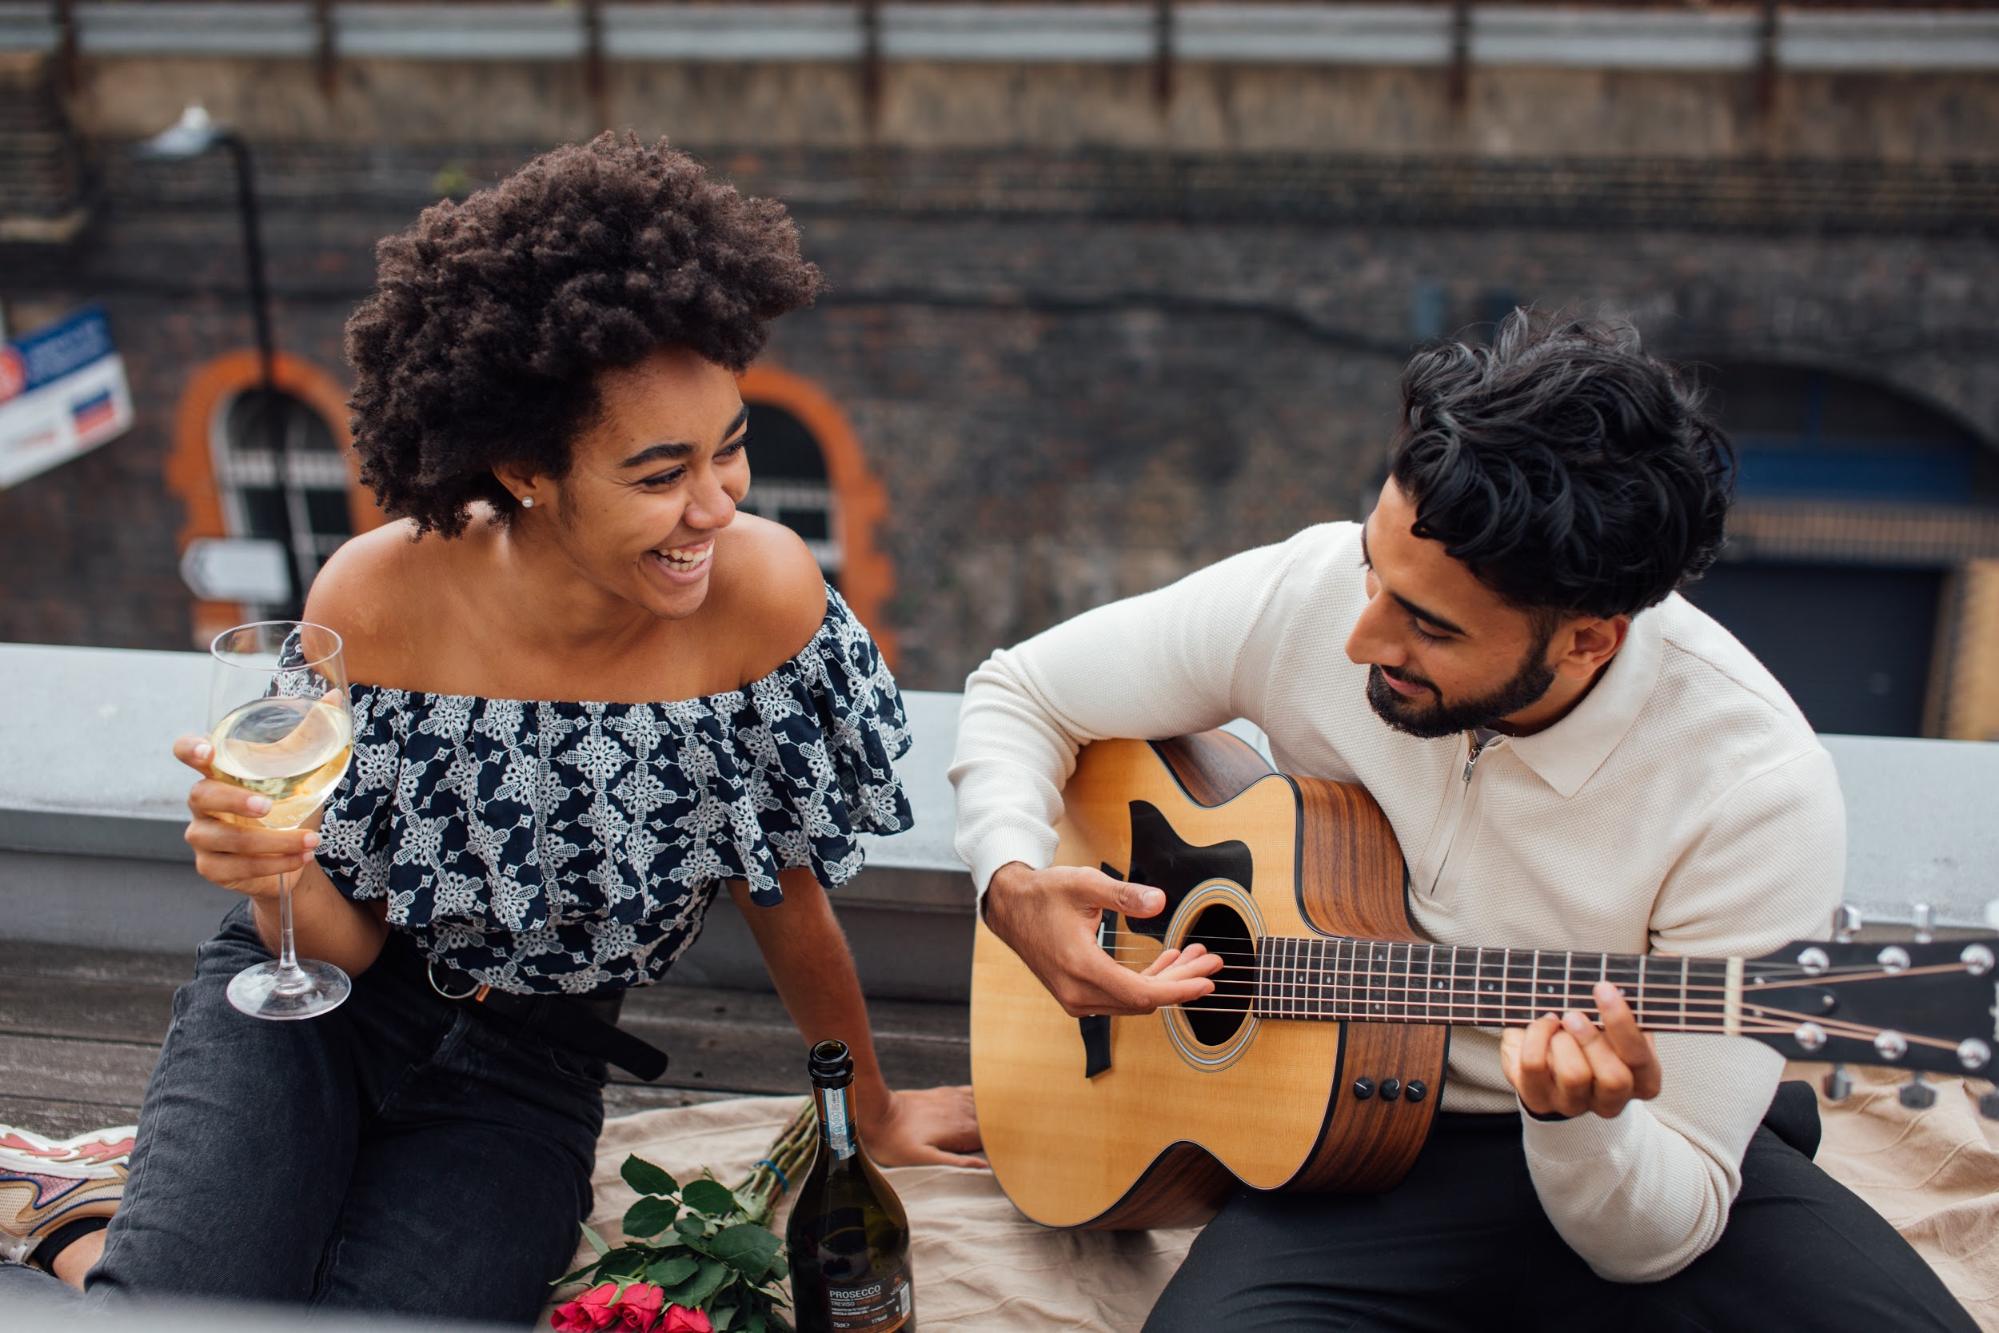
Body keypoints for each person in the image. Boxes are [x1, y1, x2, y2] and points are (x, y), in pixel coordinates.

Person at [0, 133, 980, 1323]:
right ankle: (86, 1216)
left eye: (731, 448)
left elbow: (782, 887)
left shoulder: (760, 597)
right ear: (525, 469)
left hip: (535, 1060)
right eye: (661, 471)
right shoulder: (376, 598)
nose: (718, 503)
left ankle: (83, 1214)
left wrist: (868, 1111)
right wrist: (265, 874)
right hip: (313, 1014)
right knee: (180, 1313)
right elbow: (338, 944)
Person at [948, 311, 1972, 1330]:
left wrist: (1574, 1126)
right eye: (1372, 570)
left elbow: (1665, 1228)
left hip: (1630, 1148)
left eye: (1428, 626)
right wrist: (1013, 883)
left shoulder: (1752, 788)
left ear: (1586, 640)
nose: (1357, 638)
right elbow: (1021, 692)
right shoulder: (1311, 594)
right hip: (1349, 1151)